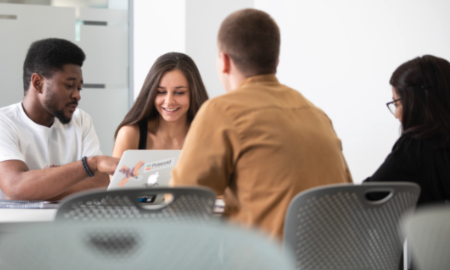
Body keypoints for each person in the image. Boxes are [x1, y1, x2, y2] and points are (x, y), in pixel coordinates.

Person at [170, 9, 352, 240]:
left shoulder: (221, 111)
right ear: (275, 61)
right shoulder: (317, 114)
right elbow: (347, 194)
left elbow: (180, 204)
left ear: (224, 61)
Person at [0, 38, 119, 202]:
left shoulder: (81, 120)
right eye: (69, 85)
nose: (77, 95)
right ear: (38, 83)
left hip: (63, 225)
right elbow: (16, 186)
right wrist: (90, 164)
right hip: (9, 226)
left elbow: (101, 181)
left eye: (79, 88)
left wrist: (36, 192)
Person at [365, 55, 450, 206]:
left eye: (397, 104)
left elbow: (369, 195)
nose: (397, 115)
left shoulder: (416, 146)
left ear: (417, 101)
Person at [112, 52, 209, 158]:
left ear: (194, 94)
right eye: (161, 92)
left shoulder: (210, 135)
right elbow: (116, 175)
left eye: (179, 92)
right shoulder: (130, 135)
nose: (169, 101)